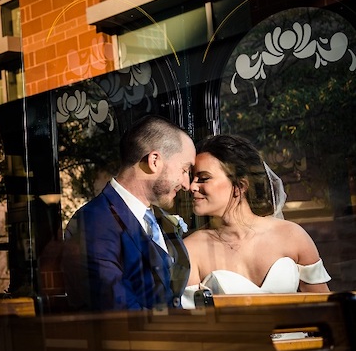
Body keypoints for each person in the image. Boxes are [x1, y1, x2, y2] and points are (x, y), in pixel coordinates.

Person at [62, 115, 196, 311]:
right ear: (154, 161)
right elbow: (117, 313)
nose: (187, 184)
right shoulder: (94, 223)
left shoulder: (158, 220)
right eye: (185, 170)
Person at [181, 134, 330, 308]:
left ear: (240, 185)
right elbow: (192, 324)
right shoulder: (191, 249)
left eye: (203, 178)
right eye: (192, 178)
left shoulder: (292, 235)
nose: (192, 187)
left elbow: (327, 309)